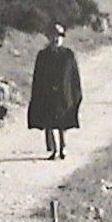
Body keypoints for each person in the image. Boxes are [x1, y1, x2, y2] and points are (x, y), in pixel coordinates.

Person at [27, 23, 82, 160]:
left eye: (59, 36)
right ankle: (53, 149)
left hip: (64, 95)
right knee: (48, 123)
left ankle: (63, 148)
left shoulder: (68, 55)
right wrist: (36, 96)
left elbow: (75, 77)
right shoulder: (42, 56)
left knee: (62, 123)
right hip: (47, 95)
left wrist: (77, 94)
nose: (56, 39)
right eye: (53, 36)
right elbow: (37, 77)